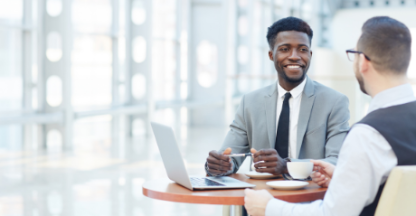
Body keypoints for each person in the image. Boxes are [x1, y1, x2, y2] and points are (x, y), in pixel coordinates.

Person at [244, 16, 416, 216]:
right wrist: (344, 177)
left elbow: (332, 214)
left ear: (363, 62)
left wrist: (268, 207)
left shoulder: (368, 135)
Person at [205, 17, 350, 177]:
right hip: (260, 196)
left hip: (310, 196)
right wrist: (220, 165)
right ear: (271, 55)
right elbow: (230, 156)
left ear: (310, 54)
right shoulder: (250, 102)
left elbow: (336, 162)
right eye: (285, 49)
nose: (295, 56)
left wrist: (287, 166)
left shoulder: (334, 102)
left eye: (302, 49)